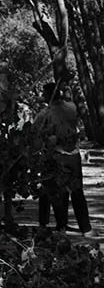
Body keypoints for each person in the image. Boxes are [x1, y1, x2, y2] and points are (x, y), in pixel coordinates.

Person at [35, 81, 92, 234]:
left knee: (52, 190)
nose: (42, 96)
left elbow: (36, 132)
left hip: (56, 155)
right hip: (73, 155)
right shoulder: (71, 107)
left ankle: (54, 225)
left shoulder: (45, 113)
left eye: (44, 94)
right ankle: (84, 227)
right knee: (76, 191)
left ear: (48, 95)